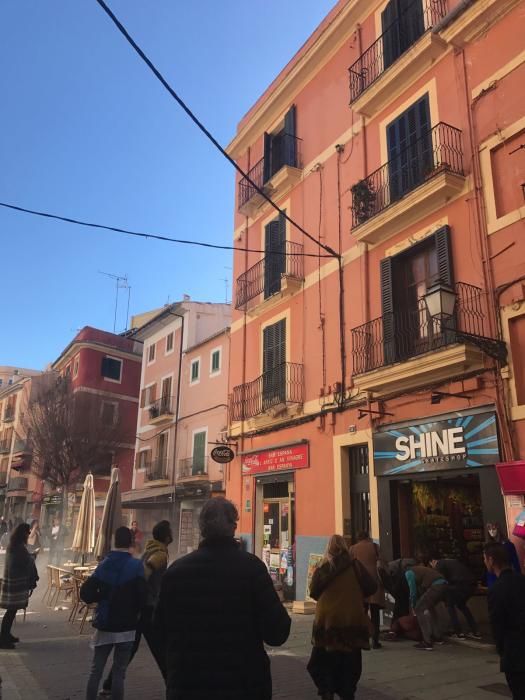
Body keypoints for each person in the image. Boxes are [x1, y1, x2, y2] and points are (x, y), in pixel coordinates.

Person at [154, 497, 290, 700]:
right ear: (233, 527)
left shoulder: (175, 573)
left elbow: (159, 630)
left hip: (187, 685)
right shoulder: (252, 569)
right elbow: (277, 632)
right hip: (244, 685)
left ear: (201, 527)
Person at [100, 520, 172, 696]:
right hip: (148, 607)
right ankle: (172, 684)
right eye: (170, 532)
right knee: (159, 648)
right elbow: (145, 574)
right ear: (166, 536)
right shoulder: (160, 554)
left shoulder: (149, 550)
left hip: (141, 607)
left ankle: (109, 684)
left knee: (132, 648)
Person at [80, 526, 148, 700]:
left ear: (114, 541)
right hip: (127, 627)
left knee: (96, 671)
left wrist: (102, 596)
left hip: (105, 624)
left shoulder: (104, 564)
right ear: (130, 543)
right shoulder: (136, 565)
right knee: (119, 674)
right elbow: (143, 598)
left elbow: (85, 593)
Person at [307, 535, 377, 700]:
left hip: (327, 621)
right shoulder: (355, 566)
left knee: (321, 661)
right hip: (351, 620)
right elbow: (371, 587)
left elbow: (313, 591)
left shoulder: (324, 567)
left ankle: (327, 690)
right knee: (350, 663)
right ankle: (347, 693)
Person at [484, 542, 525, 700]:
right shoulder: (522, 580)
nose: (485, 562)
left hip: (514, 652)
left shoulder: (497, 589)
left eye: (485, 559)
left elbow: (497, 625)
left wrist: (501, 650)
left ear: (491, 560)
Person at [0, 522, 39, 649]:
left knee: (12, 611)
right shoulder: (17, 547)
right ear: (22, 533)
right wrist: (33, 556)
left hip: (12, 583)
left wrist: (31, 556)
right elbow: (24, 561)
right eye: (27, 532)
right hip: (15, 584)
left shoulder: (15, 545)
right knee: (11, 611)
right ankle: (3, 639)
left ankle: (6, 635)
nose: (28, 534)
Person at [350, 531, 385, 649]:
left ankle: (362, 638)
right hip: (374, 584)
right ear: (368, 537)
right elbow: (382, 563)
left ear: (358, 538)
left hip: (360, 585)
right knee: (375, 615)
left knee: (362, 613)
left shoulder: (353, 549)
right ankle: (375, 641)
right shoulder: (375, 547)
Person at [430, 557, 480, 639]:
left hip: (458, 585)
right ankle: (475, 631)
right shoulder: (452, 561)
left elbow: (440, 580)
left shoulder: (439, 564)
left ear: (433, 561)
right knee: (462, 605)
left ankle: (458, 632)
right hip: (471, 584)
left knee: (450, 605)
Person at [406, 564, 448, 651]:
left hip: (436, 586)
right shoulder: (421, 570)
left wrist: (413, 605)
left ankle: (427, 642)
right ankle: (438, 637)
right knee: (432, 608)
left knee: (419, 609)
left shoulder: (408, 573)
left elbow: (413, 591)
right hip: (443, 585)